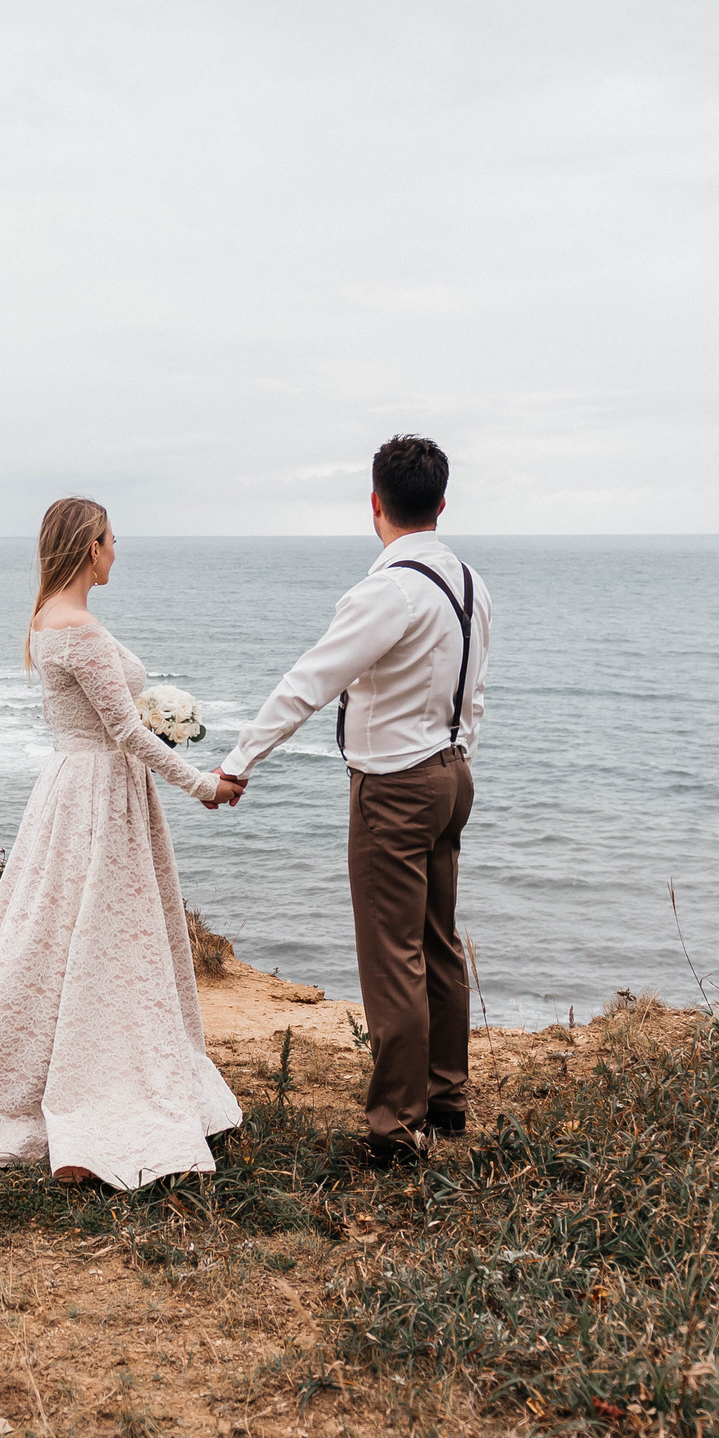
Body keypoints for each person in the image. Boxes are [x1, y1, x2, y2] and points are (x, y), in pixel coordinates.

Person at [0, 497, 242, 1189]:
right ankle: (91, 1091)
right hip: (99, 793)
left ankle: (51, 1059)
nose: (118, 550)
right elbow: (125, 732)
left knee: (56, 932)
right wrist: (203, 785)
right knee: (102, 936)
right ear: (90, 546)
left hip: (70, 787)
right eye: (112, 539)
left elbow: (108, 721)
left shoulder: (46, 620)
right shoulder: (80, 629)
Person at [213, 435, 491, 1167]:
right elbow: (476, 692)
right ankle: (447, 1099)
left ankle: (396, 1133)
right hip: (453, 773)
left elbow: (310, 680)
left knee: (391, 954)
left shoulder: (387, 591)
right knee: (438, 939)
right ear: (440, 502)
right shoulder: (471, 583)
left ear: (375, 504)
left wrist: (240, 759)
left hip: (395, 788)